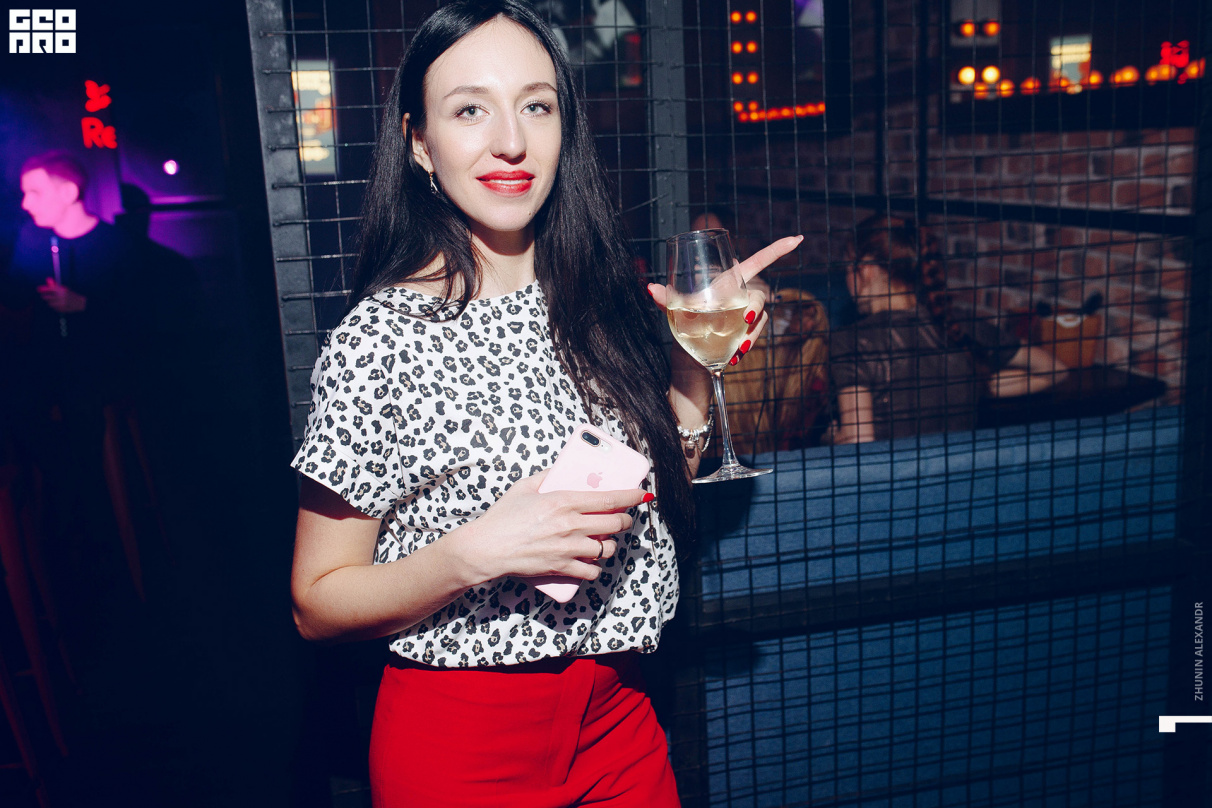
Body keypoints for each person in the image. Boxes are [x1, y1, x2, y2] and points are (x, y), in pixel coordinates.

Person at [287, 2, 801, 805]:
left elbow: (657, 480)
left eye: (536, 105)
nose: (511, 142)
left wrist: (694, 363)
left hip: (622, 719)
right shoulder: (380, 340)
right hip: (465, 743)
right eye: (470, 110)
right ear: (419, 142)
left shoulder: (602, 298)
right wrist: (474, 552)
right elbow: (316, 602)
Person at [828, 215, 1064, 444]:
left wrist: (832, 437)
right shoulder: (958, 326)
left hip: (897, 471)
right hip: (961, 470)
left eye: (848, 268)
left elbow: (859, 442)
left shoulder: (851, 341)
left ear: (866, 269)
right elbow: (1054, 370)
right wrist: (979, 384)